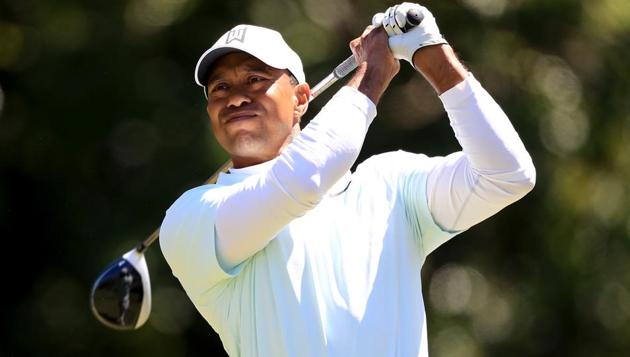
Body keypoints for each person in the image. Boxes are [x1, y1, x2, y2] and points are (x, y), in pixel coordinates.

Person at [160, 3, 536, 356]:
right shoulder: (192, 218)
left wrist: (433, 56)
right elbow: (303, 181)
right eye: (219, 88)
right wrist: (372, 75)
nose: (236, 98)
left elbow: (507, 174)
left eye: (255, 80)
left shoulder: (390, 187)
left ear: (301, 99)